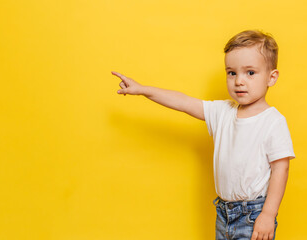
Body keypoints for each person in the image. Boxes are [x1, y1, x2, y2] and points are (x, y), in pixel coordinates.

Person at [111, 29, 295, 240]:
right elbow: (182, 102)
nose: (239, 81)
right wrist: (143, 89)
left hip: (253, 215)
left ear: (271, 77)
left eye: (250, 73)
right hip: (223, 212)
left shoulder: (272, 121)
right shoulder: (223, 112)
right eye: (231, 72)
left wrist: (268, 214)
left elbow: (281, 168)